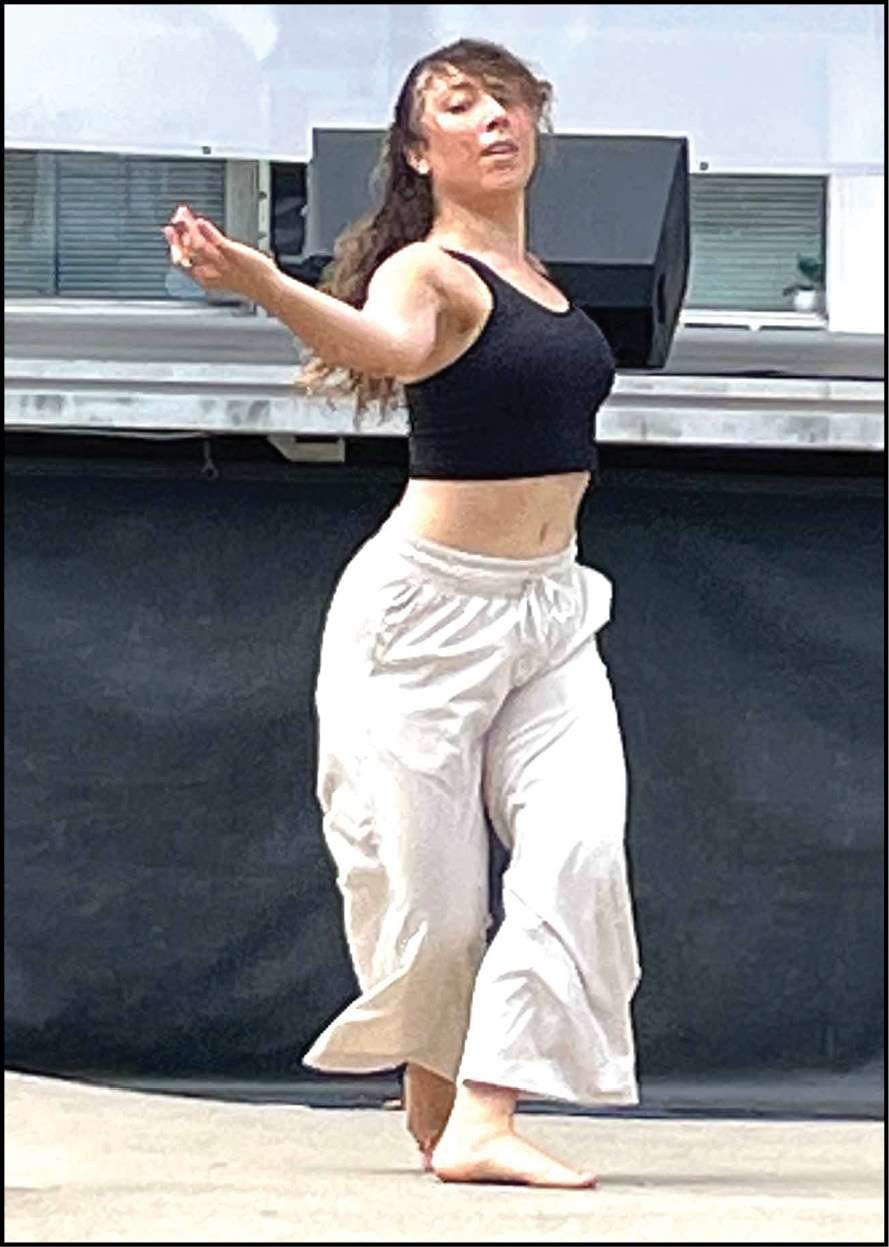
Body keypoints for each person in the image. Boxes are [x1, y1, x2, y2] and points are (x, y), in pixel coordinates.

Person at [165, 36, 642, 1189]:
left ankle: (482, 1109)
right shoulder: (427, 272)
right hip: (423, 617)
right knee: (432, 905)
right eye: (461, 106)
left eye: (509, 101)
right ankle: (442, 1094)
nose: (494, 120)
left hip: (549, 609)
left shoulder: (542, 279)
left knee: (579, 846)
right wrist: (264, 284)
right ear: (420, 152)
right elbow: (386, 348)